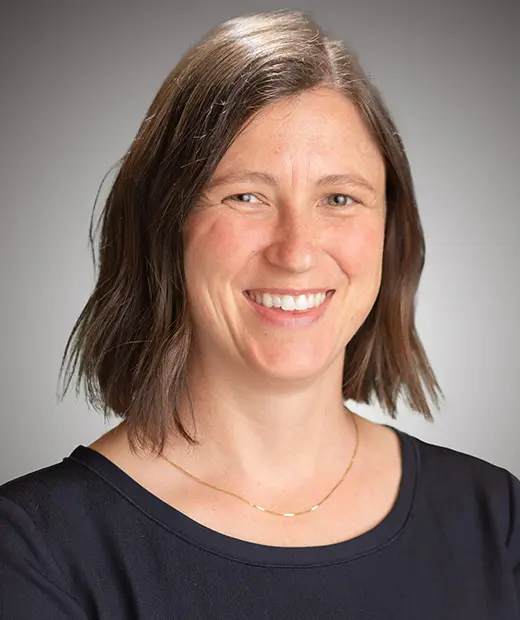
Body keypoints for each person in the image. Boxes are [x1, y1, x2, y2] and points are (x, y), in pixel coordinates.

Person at [1, 9, 519, 619]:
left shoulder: (496, 518)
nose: (296, 252)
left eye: (339, 198)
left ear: (390, 230)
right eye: (245, 196)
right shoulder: (37, 551)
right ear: (166, 225)